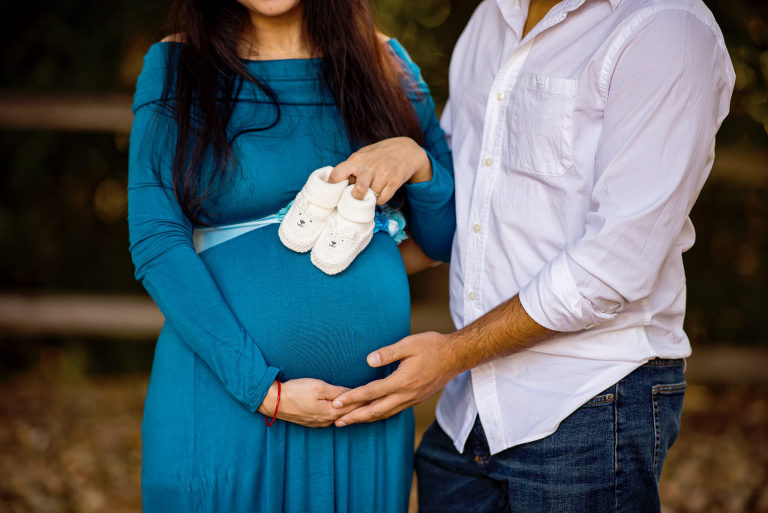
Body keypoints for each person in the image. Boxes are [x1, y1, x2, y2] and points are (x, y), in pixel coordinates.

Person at [330, 0, 735, 510]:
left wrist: (452, 355)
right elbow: (464, 211)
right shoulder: (491, 16)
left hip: (589, 398)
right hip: (468, 410)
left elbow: (613, 265)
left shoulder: (667, 27)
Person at [126, 0, 454, 511]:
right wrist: (264, 392)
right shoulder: (177, 65)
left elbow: (444, 238)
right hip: (229, 405)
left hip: (362, 418)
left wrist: (416, 160)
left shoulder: (385, 62)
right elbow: (155, 240)